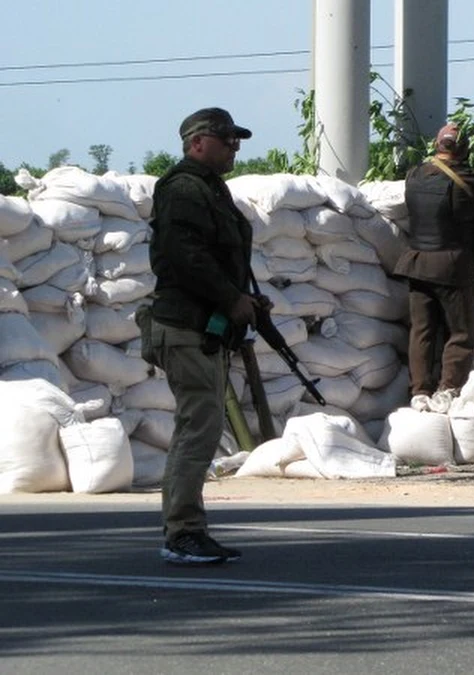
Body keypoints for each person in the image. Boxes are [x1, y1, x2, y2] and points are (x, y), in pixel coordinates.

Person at [140, 107, 264, 565]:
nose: (236, 146)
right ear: (197, 143)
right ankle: (182, 533)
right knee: (199, 427)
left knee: (202, 426)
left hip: (203, 328)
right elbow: (184, 255)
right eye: (227, 138)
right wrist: (230, 299)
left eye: (237, 139)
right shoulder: (184, 188)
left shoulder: (211, 189)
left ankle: (189, 529)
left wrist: (241, 300)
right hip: (185, 326)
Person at [395, 122, 474, 414]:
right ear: (464, 149)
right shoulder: (471, 178)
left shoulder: (414, 176)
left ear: (438, 145)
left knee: (421, 330)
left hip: (417, 263)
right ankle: (448, 389)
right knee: (460, 332)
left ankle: (419, 391)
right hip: (452, 266)